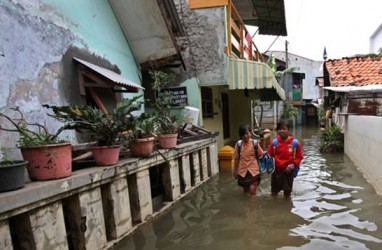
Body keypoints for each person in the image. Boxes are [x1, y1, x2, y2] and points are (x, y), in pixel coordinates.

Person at [267, 120, 304, 197]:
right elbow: (270, 156)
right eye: (280, 129)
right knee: (274, 193)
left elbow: (300, 157)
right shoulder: (274, 142)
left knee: (287, 194)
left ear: (288, 130)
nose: (282, 131)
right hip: (276, 171)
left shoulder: (295, 143)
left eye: (284, 129)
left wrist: (292, 166)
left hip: (288, 172)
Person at [233, 124, 265, 196]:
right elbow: (236, 159)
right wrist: (235, 171)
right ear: (241, 135)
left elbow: (261, 155)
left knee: (252, 190)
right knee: (245, 191)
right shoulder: (238, 145)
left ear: (250, 133)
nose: (245, 136)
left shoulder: (255, 143)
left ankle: (253, 207)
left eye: (247, 133)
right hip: (242, 172)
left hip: (254, 171)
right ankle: (247, 206)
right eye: (243, 134)